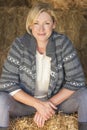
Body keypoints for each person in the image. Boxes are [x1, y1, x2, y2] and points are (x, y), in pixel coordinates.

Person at [0, 2, 87, 130]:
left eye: (46, 23)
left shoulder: (63, 43)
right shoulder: (19, 45)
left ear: (54, 24)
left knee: (84, 96)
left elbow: (77, 80)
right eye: (36, 23)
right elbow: (7, 83)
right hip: (24, 104)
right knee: (1, 100)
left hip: (56, 104)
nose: (41, 29)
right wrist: (37, 104)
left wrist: (47, 105)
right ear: (30, 25)